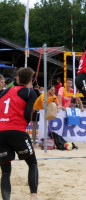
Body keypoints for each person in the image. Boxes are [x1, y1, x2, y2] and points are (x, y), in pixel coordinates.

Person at [0, 67, 38, 200]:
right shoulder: (30, 92)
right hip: (17, 130)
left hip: (1, 132)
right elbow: (28, 114)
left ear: (17, 78)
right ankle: (33, 195)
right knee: (32, 163)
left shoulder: (5, 91)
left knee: (5, 172)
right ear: (30, 80)